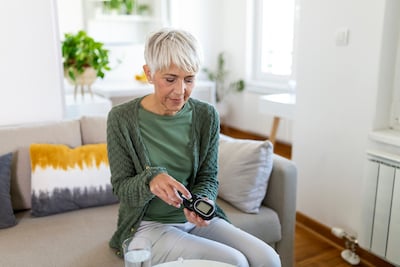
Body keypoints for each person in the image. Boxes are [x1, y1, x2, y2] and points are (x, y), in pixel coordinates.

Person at [106, 28, 281, 267]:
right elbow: (121, 188)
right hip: (148, 225)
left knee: (268, 259)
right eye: (170, 79)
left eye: (189, 79)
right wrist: (150, 180)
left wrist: (203, 201)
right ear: (149, 73)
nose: (180, 91)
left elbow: (208, 177)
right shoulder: (121, 119)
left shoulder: (206, 115)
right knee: (235, 262)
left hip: (195, 221)